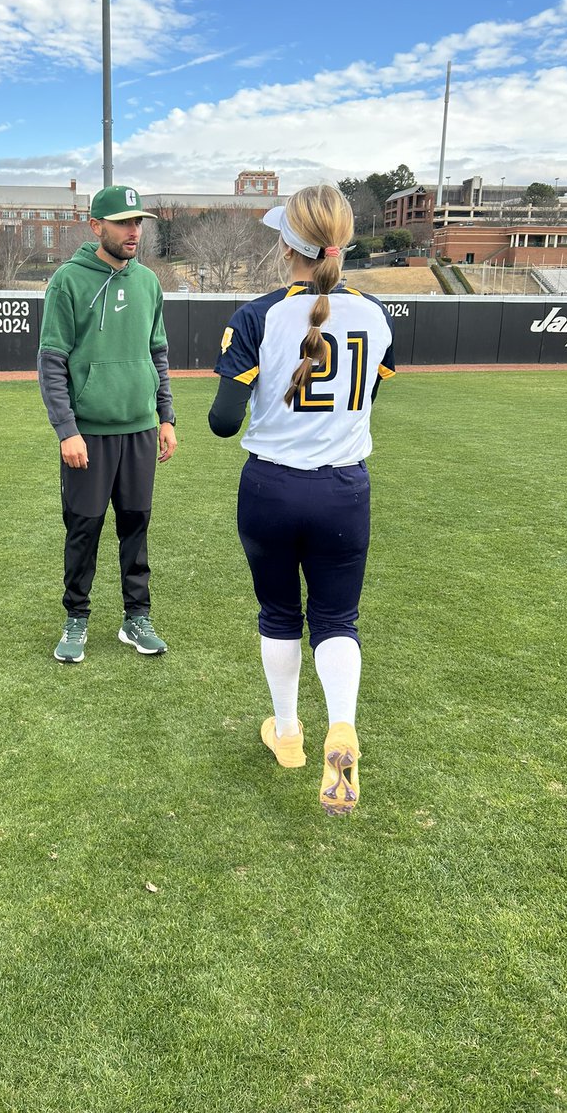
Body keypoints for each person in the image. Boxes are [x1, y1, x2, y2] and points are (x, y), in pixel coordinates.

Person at [208, 184, 395, 814]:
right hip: (344, 489)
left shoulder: (258, 315)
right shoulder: (374, 314)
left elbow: (222, 421)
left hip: (272, 488)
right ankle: (340, 727)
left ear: (288, 242)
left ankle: (288, 734)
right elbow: (373, 395)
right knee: (337, 621)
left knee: (280, 613)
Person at [38, 184, 177, 664]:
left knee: (136, 526)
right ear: (96, 226)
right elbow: (51, 361)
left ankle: (136, 618)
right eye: (123, 222)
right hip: (89, 435)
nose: (133, 231)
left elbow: (156, 354)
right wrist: (67, 430)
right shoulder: (68, 281)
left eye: (138, 222)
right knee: (84, 528)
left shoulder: (148, 282)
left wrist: (166, 417)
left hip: (139, 430)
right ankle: (76, 617)